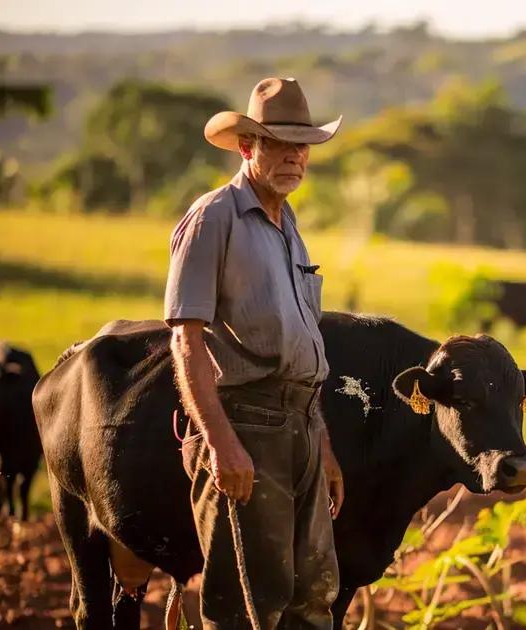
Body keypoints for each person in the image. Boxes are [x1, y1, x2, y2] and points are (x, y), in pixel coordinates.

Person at [165, 77, 345, 628]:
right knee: (248, 604)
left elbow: (301, 348)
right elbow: (186, 340)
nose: (294, 156)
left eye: (303, 145)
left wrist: (324, 443)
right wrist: (222, 444)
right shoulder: (213, 218)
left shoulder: (289, 227)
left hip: (300, 428)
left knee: (312, 595)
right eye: (279, 143)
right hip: (246, 426)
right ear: (248, 148)